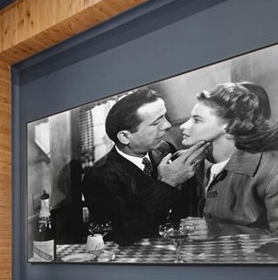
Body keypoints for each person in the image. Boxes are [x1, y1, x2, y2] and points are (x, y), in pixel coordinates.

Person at [179, 82, 278, 239]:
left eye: (197, 120)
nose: (183, 126)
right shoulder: (186, 162)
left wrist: (220, 231)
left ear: (229, 125)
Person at [82, 88, 207, 245]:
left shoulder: (165, 148)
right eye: (156, 123)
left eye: (164, 117)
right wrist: (168, 182)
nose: (168, 125)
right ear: (125, 136)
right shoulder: (99, 176)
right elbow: (125, 233)